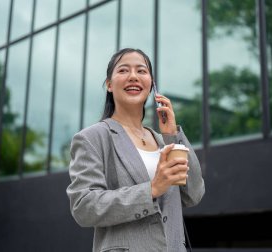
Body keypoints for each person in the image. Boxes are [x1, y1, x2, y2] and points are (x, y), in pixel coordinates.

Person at [66, 48, 205, 252]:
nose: (133, 76)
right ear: (109, 85)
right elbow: (84, 206)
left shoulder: (163, 141)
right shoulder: (92, 138)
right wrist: (151, 190)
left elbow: (193, 194)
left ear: (151, 85)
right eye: (123, 71)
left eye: (141, 71)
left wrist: (172, 135)